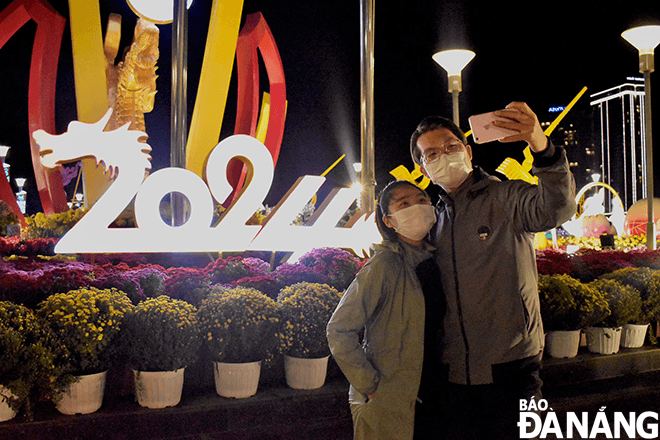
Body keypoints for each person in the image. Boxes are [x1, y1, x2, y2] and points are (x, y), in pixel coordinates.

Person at [410, 102, 577, 439]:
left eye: (451, 146)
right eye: (431, 154)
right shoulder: (433, 220)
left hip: (514, 366)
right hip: (455, 372)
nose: (443, 156)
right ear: (424, 168)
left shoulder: (505, 196)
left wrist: (540, 146)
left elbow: (556, 209)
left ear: (468, 151)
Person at [326, 180, 445, 440]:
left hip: (432, 392)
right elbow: (339, 329)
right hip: (388, 400)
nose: (416, 206)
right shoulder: (383, 265)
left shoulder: (436, 260)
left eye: (422, 200)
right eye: (404, 204)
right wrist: (370, 386)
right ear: (389, 220)